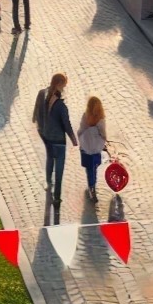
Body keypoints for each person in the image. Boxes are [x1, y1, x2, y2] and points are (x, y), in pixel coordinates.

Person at [33, 74, 78, 210]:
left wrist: (41, 128)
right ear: (59, 84)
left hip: (46, 136)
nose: (64, 88)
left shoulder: (42, 94)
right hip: (59, 141)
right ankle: (57, 198)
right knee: (59, 170)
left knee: (49, 158)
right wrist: (73, 139)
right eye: (64, 85)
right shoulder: (61, 106)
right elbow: (66, 125)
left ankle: (48, 182)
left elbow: (36, 113)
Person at [78, 96, 109, 202]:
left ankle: (91, 186)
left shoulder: (85, 116)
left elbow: (81, 130)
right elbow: (103, 134)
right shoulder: (101, 119)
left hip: (86, 147)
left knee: (89, 168)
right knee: (94, 168)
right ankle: (92, 186)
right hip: (96, 148)